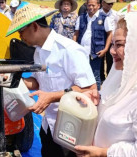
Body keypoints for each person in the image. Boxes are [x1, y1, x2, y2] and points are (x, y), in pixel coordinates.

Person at [6, 2, 96, 157]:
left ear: (34, 26)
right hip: (49, 125)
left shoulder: (68, 50)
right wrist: (14, 81)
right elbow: (38, 81)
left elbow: (89, 89)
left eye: (21, 31)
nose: (20, 37)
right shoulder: (38, 51)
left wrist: (51, 97)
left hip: (70, 129)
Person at [74, 3, 137, 156]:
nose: (112, 51)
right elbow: (111, 102)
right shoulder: (120, 76)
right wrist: (97, 100)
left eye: (120, 45)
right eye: (113, 44)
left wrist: (103, 153)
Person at [73, 0, 113, 90]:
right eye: (89, 5)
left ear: (98, 6)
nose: (91, 7)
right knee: (81, 75)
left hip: (96, 52)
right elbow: (76, 33)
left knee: (95, 76)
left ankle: (96, 97)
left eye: (93, 5)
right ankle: (84, 95)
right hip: (81, 52)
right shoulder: (81, 17)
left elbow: (110, 34)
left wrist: (106, 49)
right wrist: (73, 47)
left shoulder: (104, 18)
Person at [99, 0, 119, 83]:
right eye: (108, 3)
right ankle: (101, 78)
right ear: (103, 3)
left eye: (112, 4)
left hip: (112, 42)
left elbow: (118, 26)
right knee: (100, 60)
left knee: (110, 60)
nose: (110, 5)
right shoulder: (97, 14)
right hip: (99, 41)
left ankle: (109, 78)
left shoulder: (115, 14)